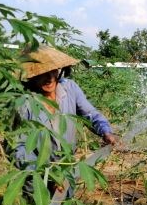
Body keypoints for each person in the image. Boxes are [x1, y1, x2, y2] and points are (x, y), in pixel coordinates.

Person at [14, 45, 116, 181]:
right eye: (42, 74)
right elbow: (18, 148)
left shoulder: (70, 88)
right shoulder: (25, 102)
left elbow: (90, 114)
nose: (49, 78)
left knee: (67, 199)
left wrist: (106, 132)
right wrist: (45, 174)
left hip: (67, 171)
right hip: (36, 177)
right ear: (31, 76)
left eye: (52, 71)